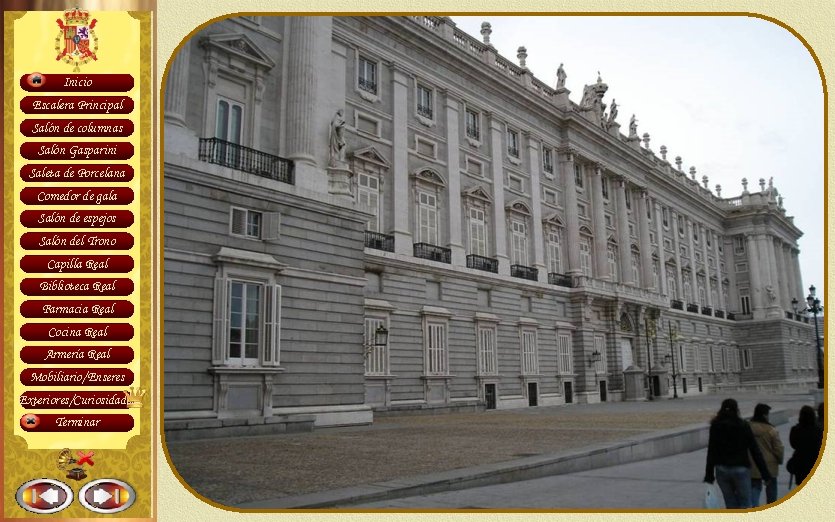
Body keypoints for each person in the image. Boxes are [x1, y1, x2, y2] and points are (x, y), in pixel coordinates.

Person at [704, 398, 772, 508]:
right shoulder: (743, 425)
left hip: (722, 468)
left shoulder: (716, 426)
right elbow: (755, 450)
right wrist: (765, 474)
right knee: (745, 502)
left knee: (730, 502)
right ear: (737, 410)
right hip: (741, 468)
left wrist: (709, 474)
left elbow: (711, 451)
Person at [748, 403, 784, 506]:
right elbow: (778, 448)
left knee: (754, 488)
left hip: (752, 463)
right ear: (764, 415)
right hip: (770, 465)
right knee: (771, 490)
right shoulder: (771, 430)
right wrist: (780, 460)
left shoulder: (748, 427)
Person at [788, 405, 823, 485]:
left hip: (800, 463)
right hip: (814, 462)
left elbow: (793, 444)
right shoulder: (818, 431)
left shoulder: (795, 429)